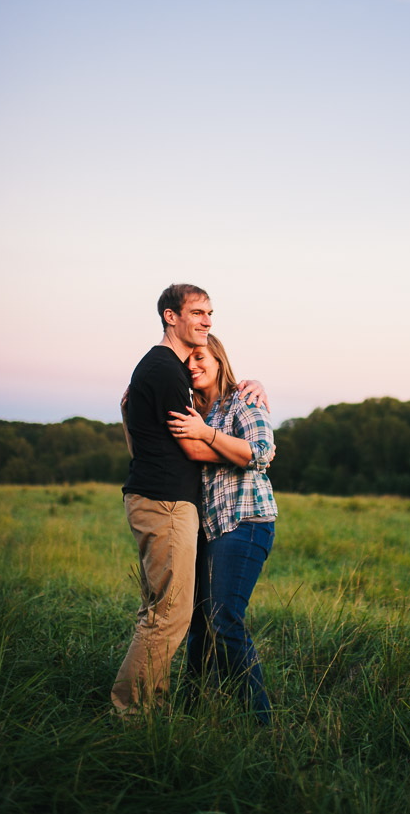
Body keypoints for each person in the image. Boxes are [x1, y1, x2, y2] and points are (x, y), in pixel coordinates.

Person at [112, 283, 267, 715]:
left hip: (181, 507)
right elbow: (193, 449)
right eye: (197, 312)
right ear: (170, 316)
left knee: (174, 615)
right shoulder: (166, 371)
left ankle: (159, 706)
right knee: (170, 617)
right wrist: (211, 436)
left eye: (210, 314)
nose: (206, 321)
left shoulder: (182, 380)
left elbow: (252, 446)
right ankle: (134, 713)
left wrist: (251, 384)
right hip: (165, 504)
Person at [167, 333, 277, 723]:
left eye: (200, 357)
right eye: (188, 361)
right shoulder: (191, 410)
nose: (193, 365)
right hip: (208, 530)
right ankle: (192, 712)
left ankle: (259, 722)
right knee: (198, 622)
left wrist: (208, 436)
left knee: (223, 617)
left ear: (218, 359)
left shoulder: (243, 400)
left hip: (246, 520)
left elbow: (261, 454)